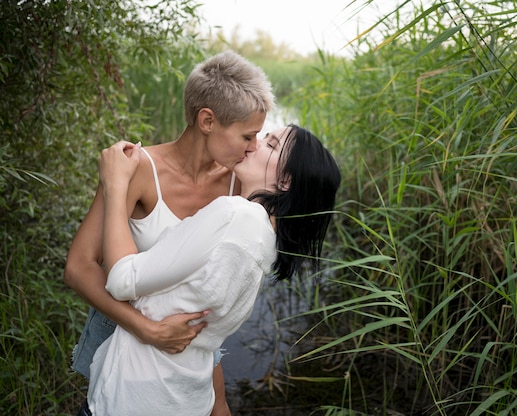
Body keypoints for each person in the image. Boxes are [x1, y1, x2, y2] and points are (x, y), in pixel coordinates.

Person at [64, 50, 275, 416]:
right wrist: (146, 329)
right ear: (207, 120)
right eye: (247, 136)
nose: (254, 147)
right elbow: (80, 266)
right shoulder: (136, 169)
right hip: (126, 356)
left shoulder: (238, 188)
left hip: (194, 357)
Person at [82, 124, 341, 415]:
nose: (253, 145)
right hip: (187, 399)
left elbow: (121, 279)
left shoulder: (234, 215)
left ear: (285, 181)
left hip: (130, 397)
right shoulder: (266, 242)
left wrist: (116, 186)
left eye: (269, 145)